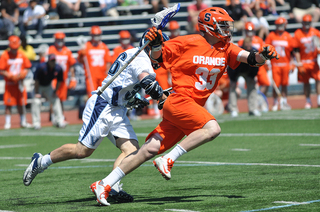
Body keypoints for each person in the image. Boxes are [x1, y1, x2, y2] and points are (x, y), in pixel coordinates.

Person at [85, 7, 279, 206]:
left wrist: (264, 55)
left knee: (148, 150)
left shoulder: (227, 47)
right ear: (208, 26)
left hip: (190, 107)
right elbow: (157, 58)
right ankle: (169, 159)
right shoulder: (189, 41)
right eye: (222, 25)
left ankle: (104, 183)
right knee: (212, 128)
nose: (227, 29)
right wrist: (157, 42)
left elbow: (251, 59)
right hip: (179, 101)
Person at [22, 32, 168, 204]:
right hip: (103, 106)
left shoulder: (133, 53)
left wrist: (133, 98)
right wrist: (162, 96)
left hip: (116, 108)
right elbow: (148, 83)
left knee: (132, 150)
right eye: (161, 49)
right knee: (82, 151)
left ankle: (110, 186)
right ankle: (41, 161)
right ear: (151, 46)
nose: (162, 55)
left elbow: (122, 82)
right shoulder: (141, 59)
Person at [0, 35, 32, 129]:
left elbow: (27, 67)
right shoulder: (5, 55)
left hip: (20, 83)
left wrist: (22, 74)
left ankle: (23, 121)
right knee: (8, 104)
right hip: (10, 84)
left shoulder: (21, 54)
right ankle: (8, 122)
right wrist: (10, 76)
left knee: (20, 103)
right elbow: (2, 69)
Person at [265, 17, 295, 111]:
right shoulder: (271, 35)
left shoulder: (288, 36)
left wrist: (292, 62)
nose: (280, 27)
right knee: (275, 85)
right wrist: (267, 60)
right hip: (275, 65)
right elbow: (266, 49)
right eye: (278, 25)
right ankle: (275, 102)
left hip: (285, 64)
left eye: (281, 25)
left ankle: (284, 101)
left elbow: (292, 51)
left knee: (284, 84)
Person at [228, 37, 261, 117]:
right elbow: (233, 66)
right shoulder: (239, 51)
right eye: (246, 45)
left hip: (249, 71)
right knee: (232, 87)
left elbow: (256, 65)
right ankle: (233, 109)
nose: (248, 47)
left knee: (252, 86)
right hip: (236, 70)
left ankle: (253, 109)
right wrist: (233, 79)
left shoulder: (255, 51)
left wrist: (253, 76)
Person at [31, 54, 66, 129]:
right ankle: (36, 123)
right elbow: (36, 81)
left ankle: (59, 121)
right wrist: (37, 92)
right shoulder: (41, 67)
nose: (52, 62)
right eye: (51, 61)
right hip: (39, 86)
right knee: (36, 102)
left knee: (56, 100)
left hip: (48, 86)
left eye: (54, 61)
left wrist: (55, 91)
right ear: (48, 61)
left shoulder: (58, 68)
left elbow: (59, 81)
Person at [47, 31, 77, 121]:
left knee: (61, 99)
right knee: (53, 98)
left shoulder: (67, 51)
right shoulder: (51, 49)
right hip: (53, 78)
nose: (60, 41)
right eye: (58, 39)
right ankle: (52, 116)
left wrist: (73, 78)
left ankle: (61, 115)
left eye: (61, 39)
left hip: (63, 78)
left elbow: (71, 65)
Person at [293, 14, 320, 109]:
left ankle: (319, 99)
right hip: (304, 61)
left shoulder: (315, 32)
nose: (307, 24)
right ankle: (308, 101)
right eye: (306, 22)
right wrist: (299, 63)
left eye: (309, 22)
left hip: (313, 61)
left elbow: (319, 45)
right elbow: (296, 50)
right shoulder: (298, 33)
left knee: (319, 79)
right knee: (306, 82)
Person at [238, 21, 270, 101]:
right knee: (251, 85)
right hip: (248, 66)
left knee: (266, 83)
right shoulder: (242, 41)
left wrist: (266, 62)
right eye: (248, 31)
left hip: (260, 66)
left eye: (251, 31)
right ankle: (254, 101)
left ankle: (260, 100)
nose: (250, 33)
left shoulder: (259, 40)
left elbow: (263, 52)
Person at [78, 26, 112, 97]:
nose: (96, 37)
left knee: (103, 96)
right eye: (95, 35)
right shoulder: (86, 46)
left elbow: (108, 61)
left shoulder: (104, 46)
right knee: (92, 96)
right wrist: (81, 53)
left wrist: (107, 73)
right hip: (91, 75)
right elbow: (80, 61)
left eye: (98, 35)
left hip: (103, 75)